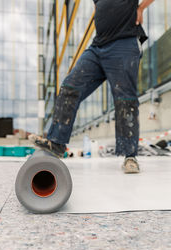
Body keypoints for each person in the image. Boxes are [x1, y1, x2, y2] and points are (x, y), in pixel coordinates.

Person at [29, 0, 155, 173]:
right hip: (98, 46)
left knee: (125, 100)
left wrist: (140, 8)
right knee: (70, 87)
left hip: (124, 43)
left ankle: (130, 156)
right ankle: (57, 143)